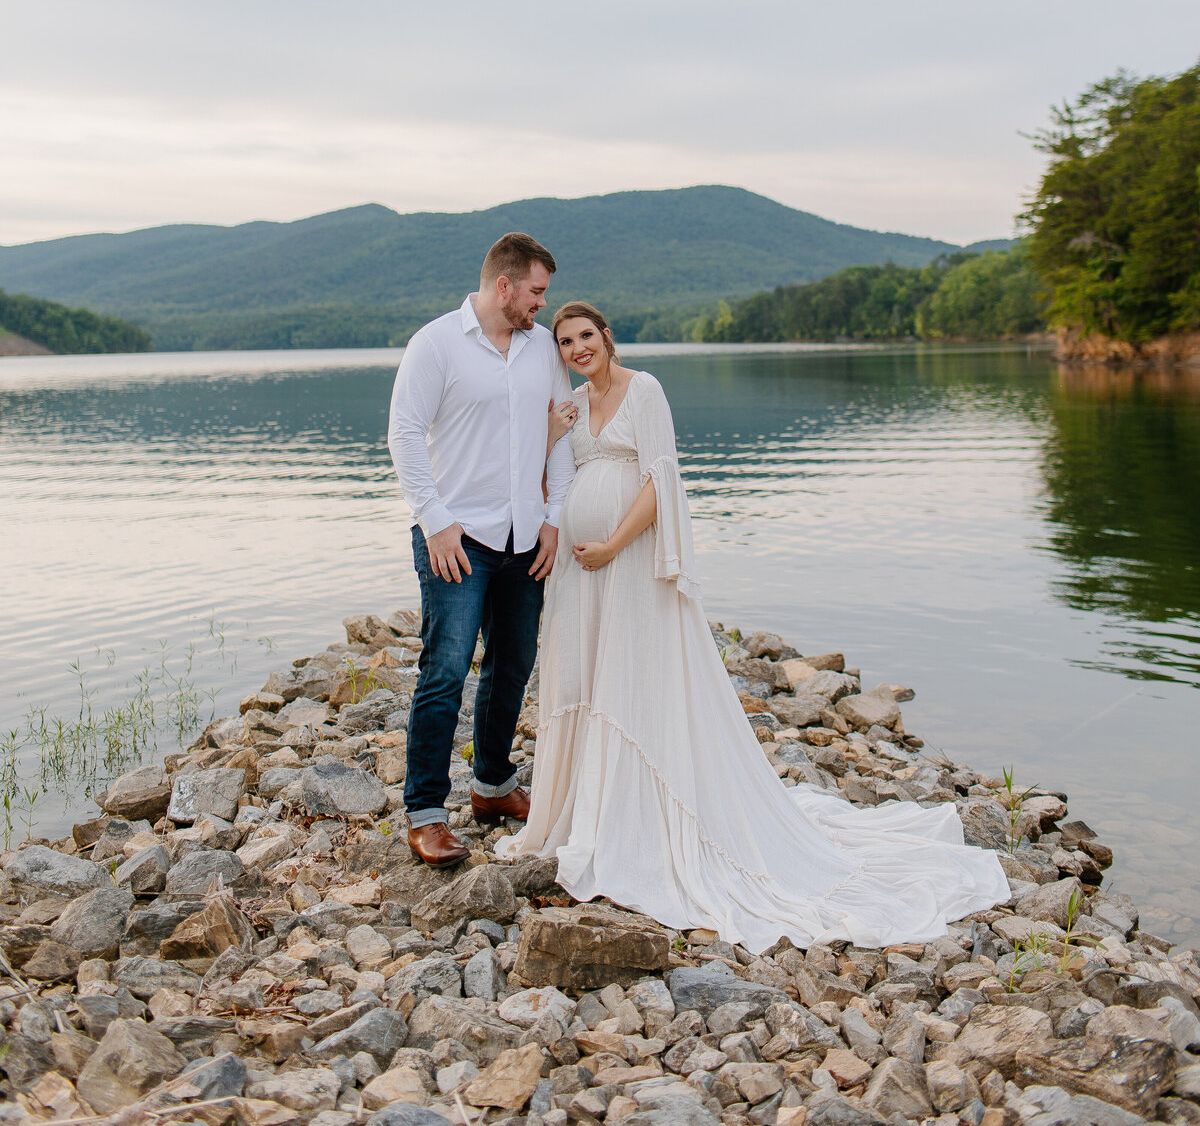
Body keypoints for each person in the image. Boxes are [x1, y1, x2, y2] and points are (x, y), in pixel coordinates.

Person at [498, 300, 1011, 949]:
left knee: (636, 684)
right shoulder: (571, 405)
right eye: (565, 341)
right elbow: (555, 473)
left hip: (624, 568)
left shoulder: (643, 390)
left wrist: (613, 545)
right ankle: (590, 816)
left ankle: (647, 823)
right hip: (581, 579)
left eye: (585, 335)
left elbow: (662, 481)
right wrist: (552, 435)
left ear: (606, 336)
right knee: (592, 685)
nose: (577, 347)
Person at [387, 233, 577, 867]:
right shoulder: (435, 344)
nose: (541, 306)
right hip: (457, 538)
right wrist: (435, 522)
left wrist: (553, 519)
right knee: (444, 670)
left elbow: (558, 436)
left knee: (514, 664)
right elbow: (405, 434)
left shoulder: (539, 351)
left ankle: (493, 786)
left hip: (527, 537)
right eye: (536, 292)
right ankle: (427, 812)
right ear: (505, 286)